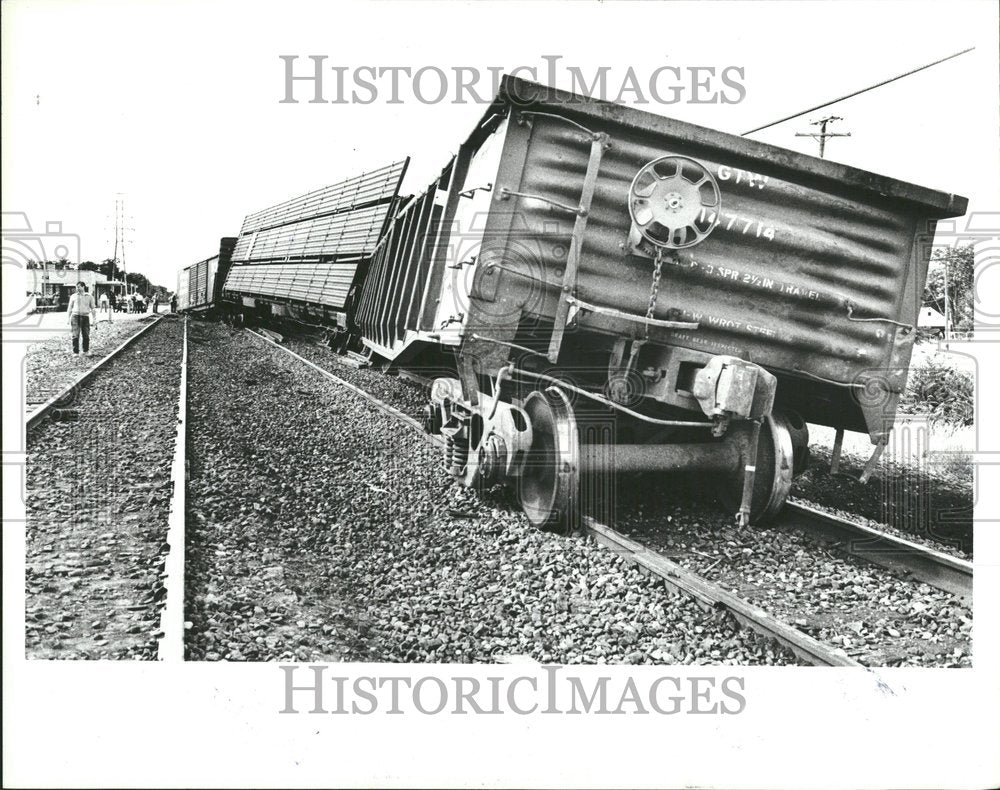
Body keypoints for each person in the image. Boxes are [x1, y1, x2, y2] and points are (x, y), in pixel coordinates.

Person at [67, 281, 96, 356]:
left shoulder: (89, 296)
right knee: (75, 335)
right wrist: (68, 318)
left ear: (83, 287)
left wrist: (94, 319)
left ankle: (86, 351)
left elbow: (93, 308)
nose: (77, 288)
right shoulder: (73, 296)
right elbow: (69, 308)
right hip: (75, 316)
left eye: (79, 286)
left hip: (85, 317)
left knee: (86, 334)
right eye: (76, 287)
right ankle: (75, 352)